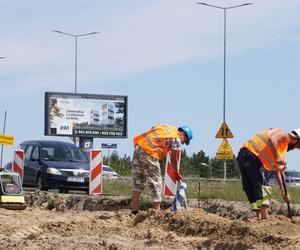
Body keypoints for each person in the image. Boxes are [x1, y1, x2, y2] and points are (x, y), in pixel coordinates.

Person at [237, 128, 300, 220]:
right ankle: (264, 218)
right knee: (263, 187)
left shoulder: (280, 148)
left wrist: (284, 193)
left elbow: (278, 172)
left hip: (244, 155)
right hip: (252, 155)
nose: (294, 148)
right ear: (296, 139)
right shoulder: (284, 135)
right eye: (297, 146)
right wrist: (278, 157)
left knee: (250, 186)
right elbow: (272, 139)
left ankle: (259, 218)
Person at [131, 124, 193, 214]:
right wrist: (176, 173)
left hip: (139, 148)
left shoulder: (166, 128)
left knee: (138, 182)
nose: (183, 143)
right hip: (149, 152)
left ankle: (134, 211)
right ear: (182, 134)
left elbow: (153, 128)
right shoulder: (177, 139)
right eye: (185, 141)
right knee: (157, 182)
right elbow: (173, 159)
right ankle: (156, 212)